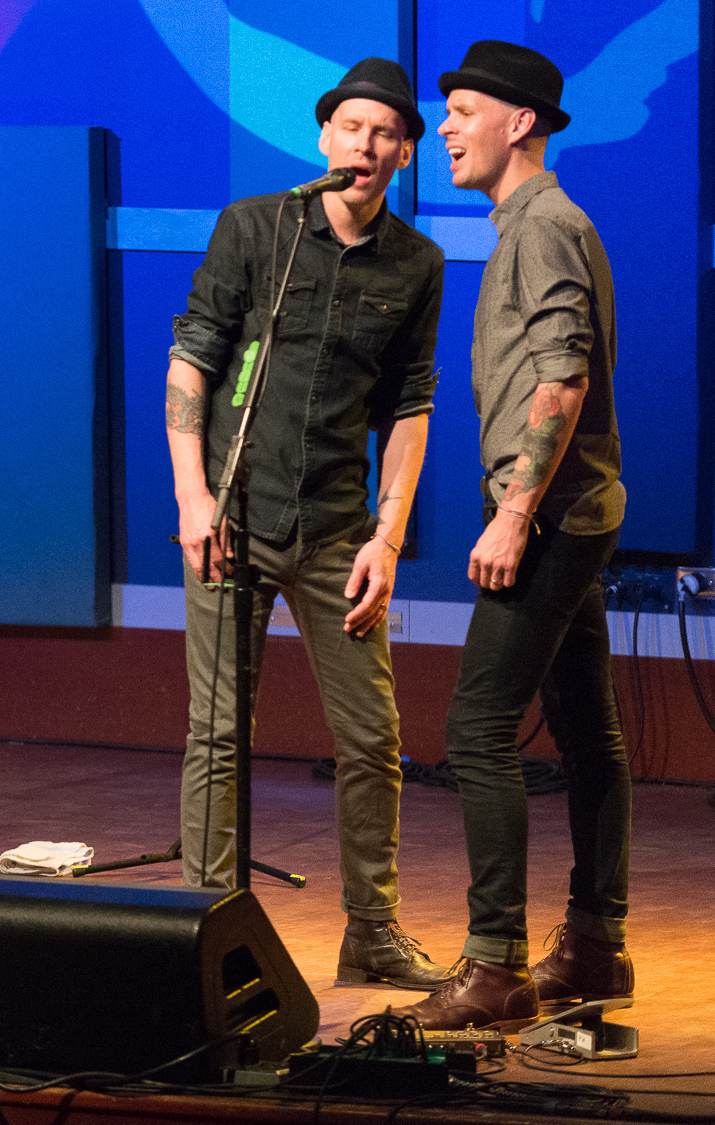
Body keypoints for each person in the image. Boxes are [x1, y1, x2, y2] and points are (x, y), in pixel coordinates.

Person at [166, 58, 450, 990]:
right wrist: (193, 497)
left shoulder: (417, 264)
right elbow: (194, 360)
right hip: (233, 516)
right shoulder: (257, 228)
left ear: (405, 154)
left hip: (336, 529)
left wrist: (388, 536)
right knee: (217, 733)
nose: (366, 145)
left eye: (386, 134)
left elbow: (410, 407)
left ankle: (371, 927)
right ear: (324, 137)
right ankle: (202, 930)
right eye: (352, 127)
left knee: (371, 736)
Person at [395, 41, 630, 1031]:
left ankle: (493, 964)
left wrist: (511, 511)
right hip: (576, 509)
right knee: (585, 729)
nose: (440, 127)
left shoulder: (539, 225)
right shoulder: (531, 224)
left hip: (550, 516)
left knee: (475, 728)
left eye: (460, 110)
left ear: (518, 123)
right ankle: (592, 945)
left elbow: (561, 376)